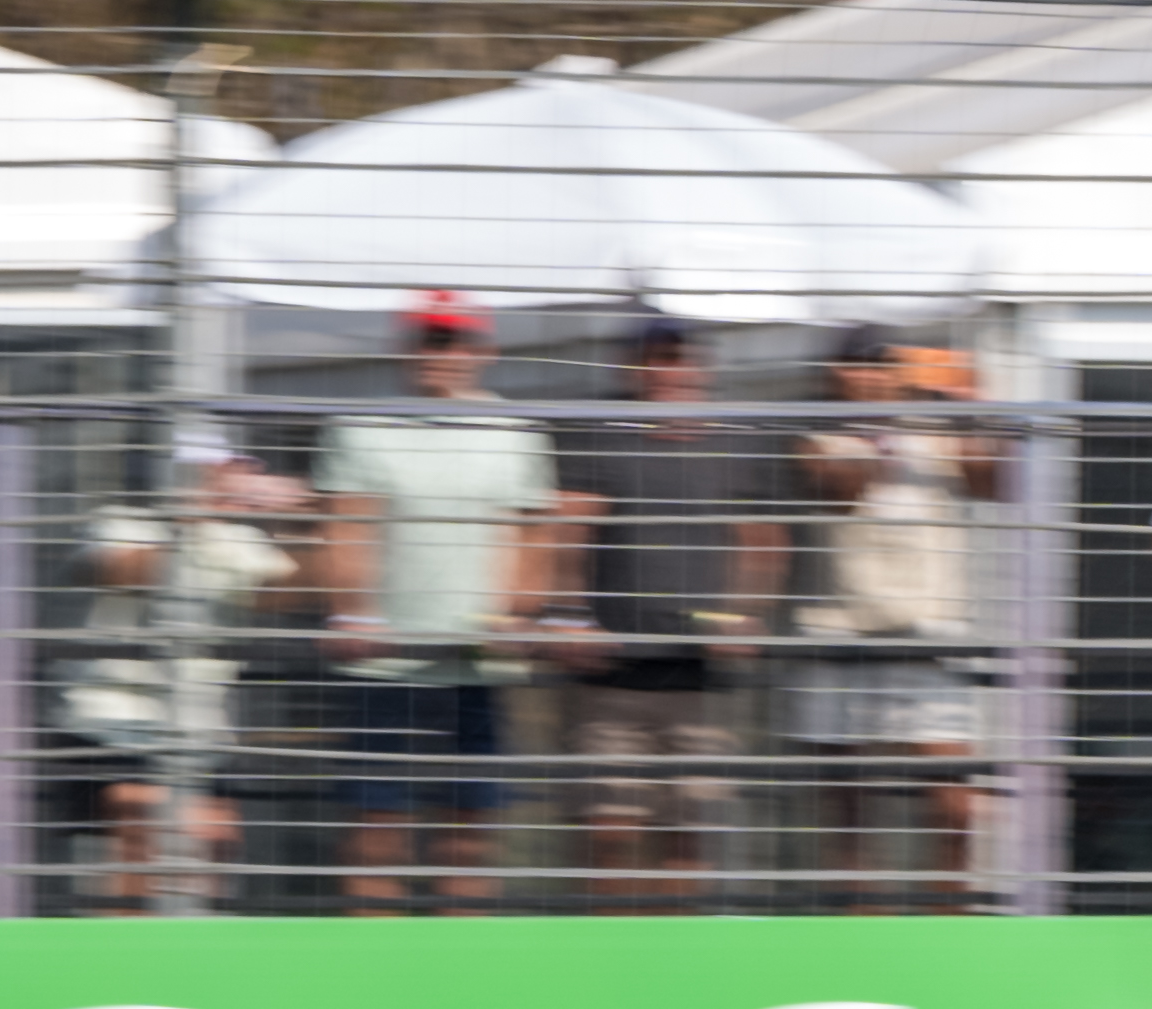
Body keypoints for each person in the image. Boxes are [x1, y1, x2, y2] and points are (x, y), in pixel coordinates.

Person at [312, 291, 560, 910]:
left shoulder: (517, 432)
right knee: (377, 830)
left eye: (451, 339)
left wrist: (519, 614)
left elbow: (534, 534)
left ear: (484, 351)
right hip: (383, 664)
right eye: (427, 338)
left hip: (477, 665)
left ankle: (463, 959)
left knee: (469, 835)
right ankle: (372, 956)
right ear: (405, 347)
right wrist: (350, 611)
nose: (437, 352)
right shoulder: (362, 427)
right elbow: (345, 526)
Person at [546, 319, 793, 907]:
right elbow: (567, 532)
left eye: (680, 358)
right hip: (610, 678)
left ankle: (677, 957)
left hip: (700, 681)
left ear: (703, 367)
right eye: (655, 359)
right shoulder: (602, 436)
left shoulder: (736, 442)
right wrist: (570, 616)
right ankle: (611, 954)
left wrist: (743, 615)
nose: (669, 371)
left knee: (690, 830)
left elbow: (764, 540)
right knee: (609, 831)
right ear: (631, 369)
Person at [787, 328, 1000, 910]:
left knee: (955, 805)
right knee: (850, 810)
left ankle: (947, 926)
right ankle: (861, 933)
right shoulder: (816, 429)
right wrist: (878, 429)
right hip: (841, 629)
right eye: (857, 364)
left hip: (932, 629)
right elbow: (842, 492)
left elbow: (993, 483)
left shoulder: (937, 425)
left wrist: (972, 408)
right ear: (834, 372)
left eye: (882, 364)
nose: (871, 375)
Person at [53, 439, 308, 910]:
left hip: (199, 732)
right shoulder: (123, 522)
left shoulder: (243, 541)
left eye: (239, 468)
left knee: (213, 850)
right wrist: (194, 518)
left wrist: (297, 518)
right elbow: (118, 569)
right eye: (223, 470)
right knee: (137, 858)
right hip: (111, 726)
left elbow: (298, 591)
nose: (240, 479)